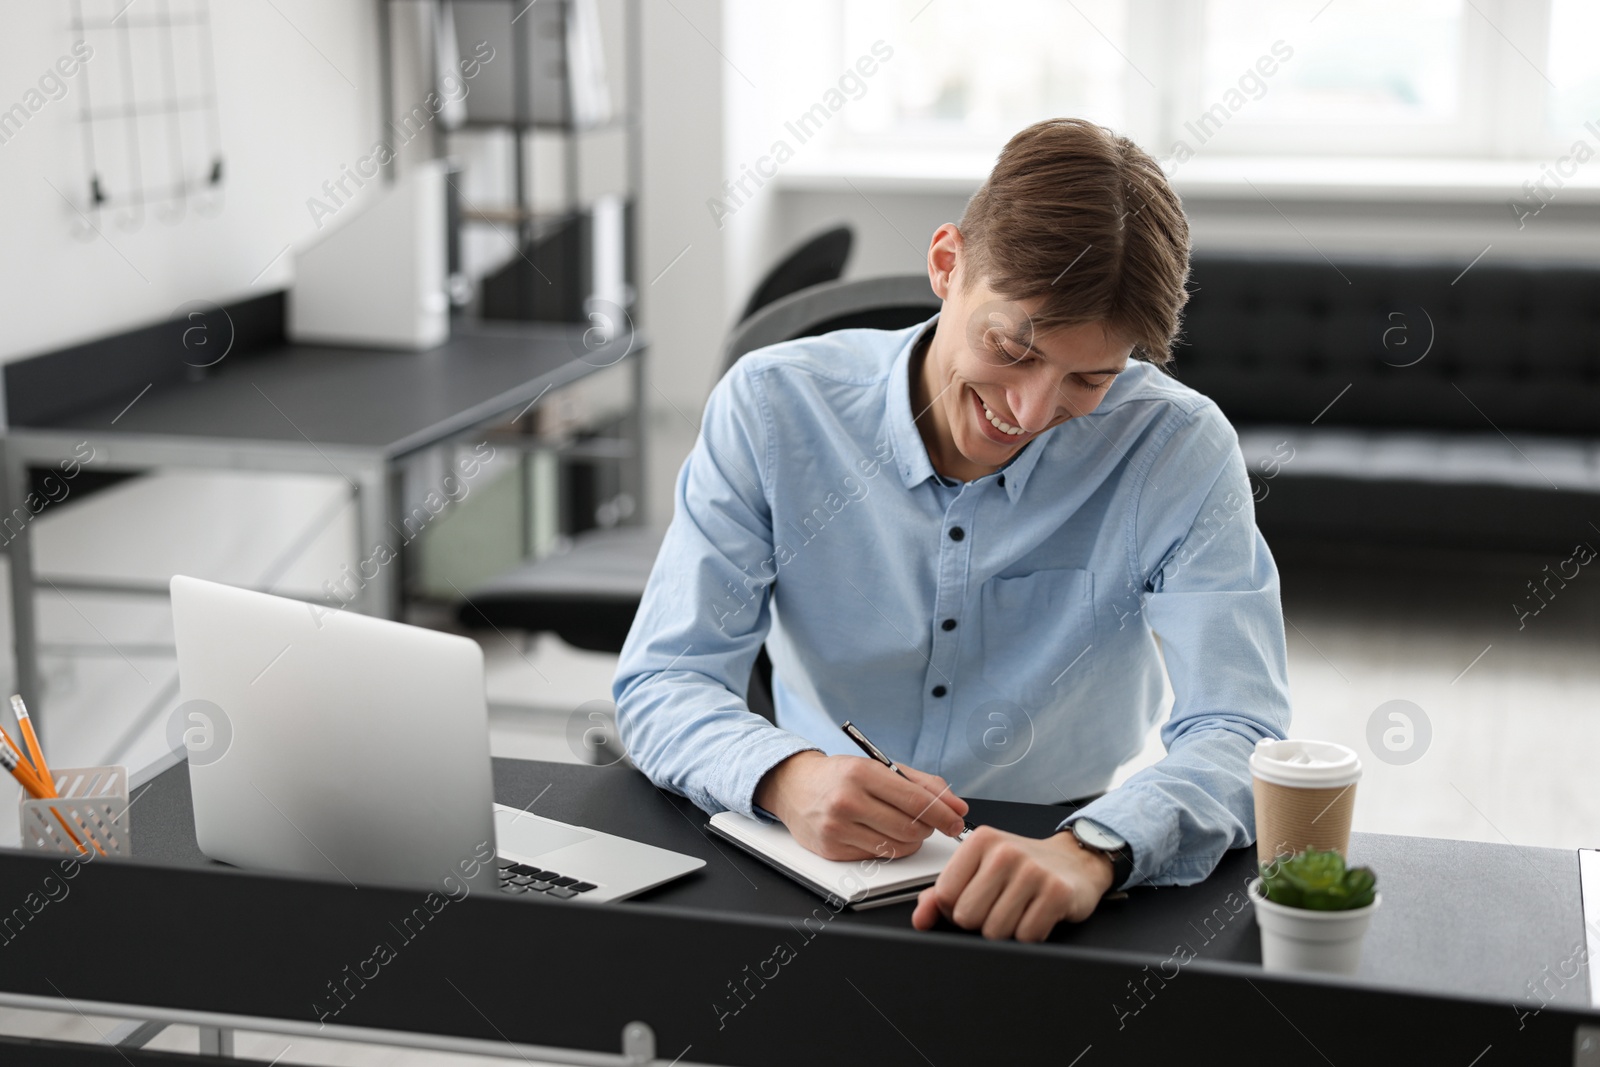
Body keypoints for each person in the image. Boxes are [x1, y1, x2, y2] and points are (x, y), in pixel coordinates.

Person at [614, 117, 1291, 942]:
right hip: (805, 847)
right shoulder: (772, 408)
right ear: (946, 265)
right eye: (1013, 347)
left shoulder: (1175, 447)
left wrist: (1096, 848)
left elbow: (1242, 729)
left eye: (1091, 377)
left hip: (1064, 848)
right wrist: (787, 775)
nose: (1032, 411)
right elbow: (663, 680)